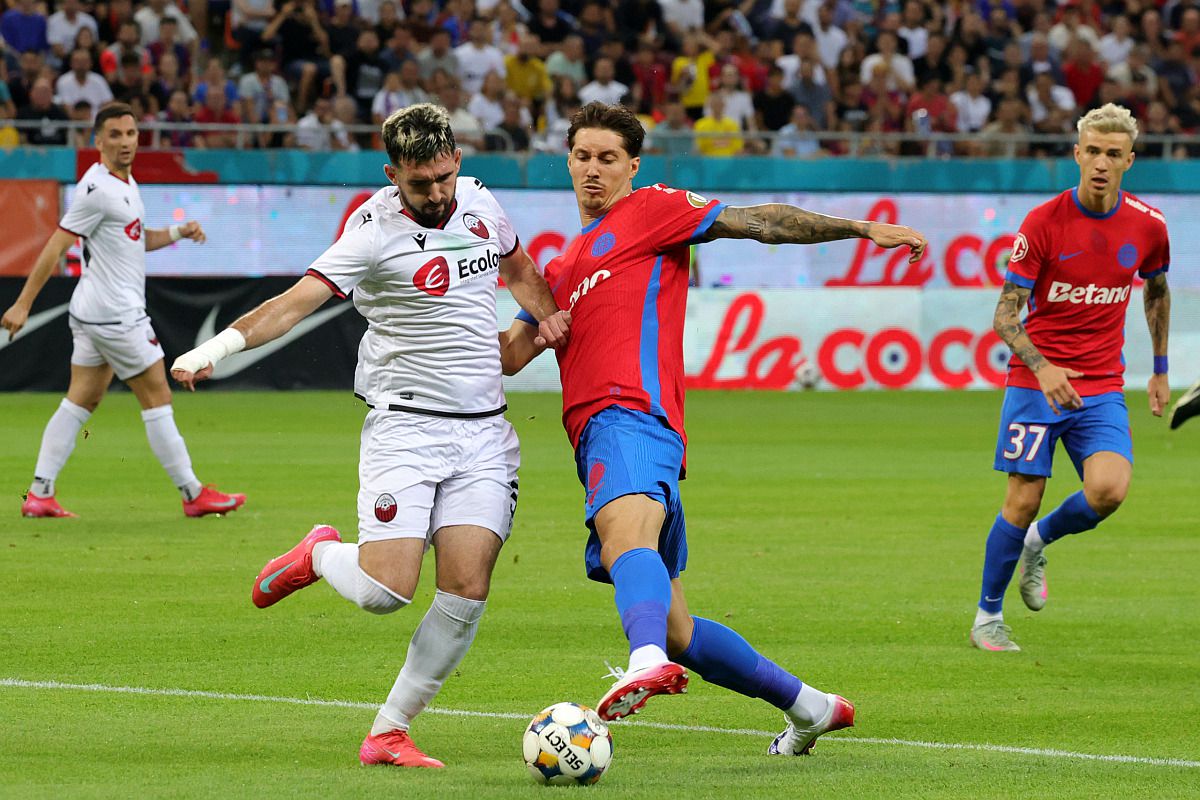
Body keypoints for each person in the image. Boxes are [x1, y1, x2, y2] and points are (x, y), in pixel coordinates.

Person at [498, 102, 927, 754]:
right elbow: (508, 356)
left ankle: (643, 663)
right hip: (598, 435)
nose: (593, 169)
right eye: (583, 156)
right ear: (568, 160)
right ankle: (810, 707)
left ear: (632, 166)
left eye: (608, 158)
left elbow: (762, 222)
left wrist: (860, 228)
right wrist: (491, 290)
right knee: (680, 630)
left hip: (632, 413)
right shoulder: (562, 267)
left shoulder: (651, 210)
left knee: (623, 538)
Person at [169, 104, 569, 767]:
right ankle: (319, 554)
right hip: (405, 428)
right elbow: (292, 303)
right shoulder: (370, 233)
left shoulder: (480, 203)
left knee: (467, 587)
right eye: (420, 184)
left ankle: (389, 730)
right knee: (386, 592)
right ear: (392, 175)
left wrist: (547, 315)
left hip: (485, 435)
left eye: (443, 177)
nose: (437, 194)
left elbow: (521, 268)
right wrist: (216, 347)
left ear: (457, 163)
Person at [969, 104, 1171, 653]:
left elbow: (1155, 289)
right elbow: (1005, 315)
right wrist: (1042, 365)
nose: (1101, 163)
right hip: (1035, 382)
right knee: (1023, 497)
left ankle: (1038, 543)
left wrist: (1159, 370)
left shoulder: (1149, 226)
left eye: (1113, 154)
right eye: (1093, 151)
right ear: (1076, 153)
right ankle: (988, 616)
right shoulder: (1043, 224)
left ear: (1129, 159)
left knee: (1109, 490)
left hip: (1102, 383)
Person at [1, 102, 244, 519]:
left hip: (92, 312)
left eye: (131, 134)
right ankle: (192, 494)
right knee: (157, 395)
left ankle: (40, 492)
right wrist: (23, 304)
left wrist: (178, 232)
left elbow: (135, 239)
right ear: (97, 141)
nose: (125, 142)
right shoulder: (96, 191)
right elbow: (56, 246)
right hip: (116, 315)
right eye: (115, 135)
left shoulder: (124, 184)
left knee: (82, 398)